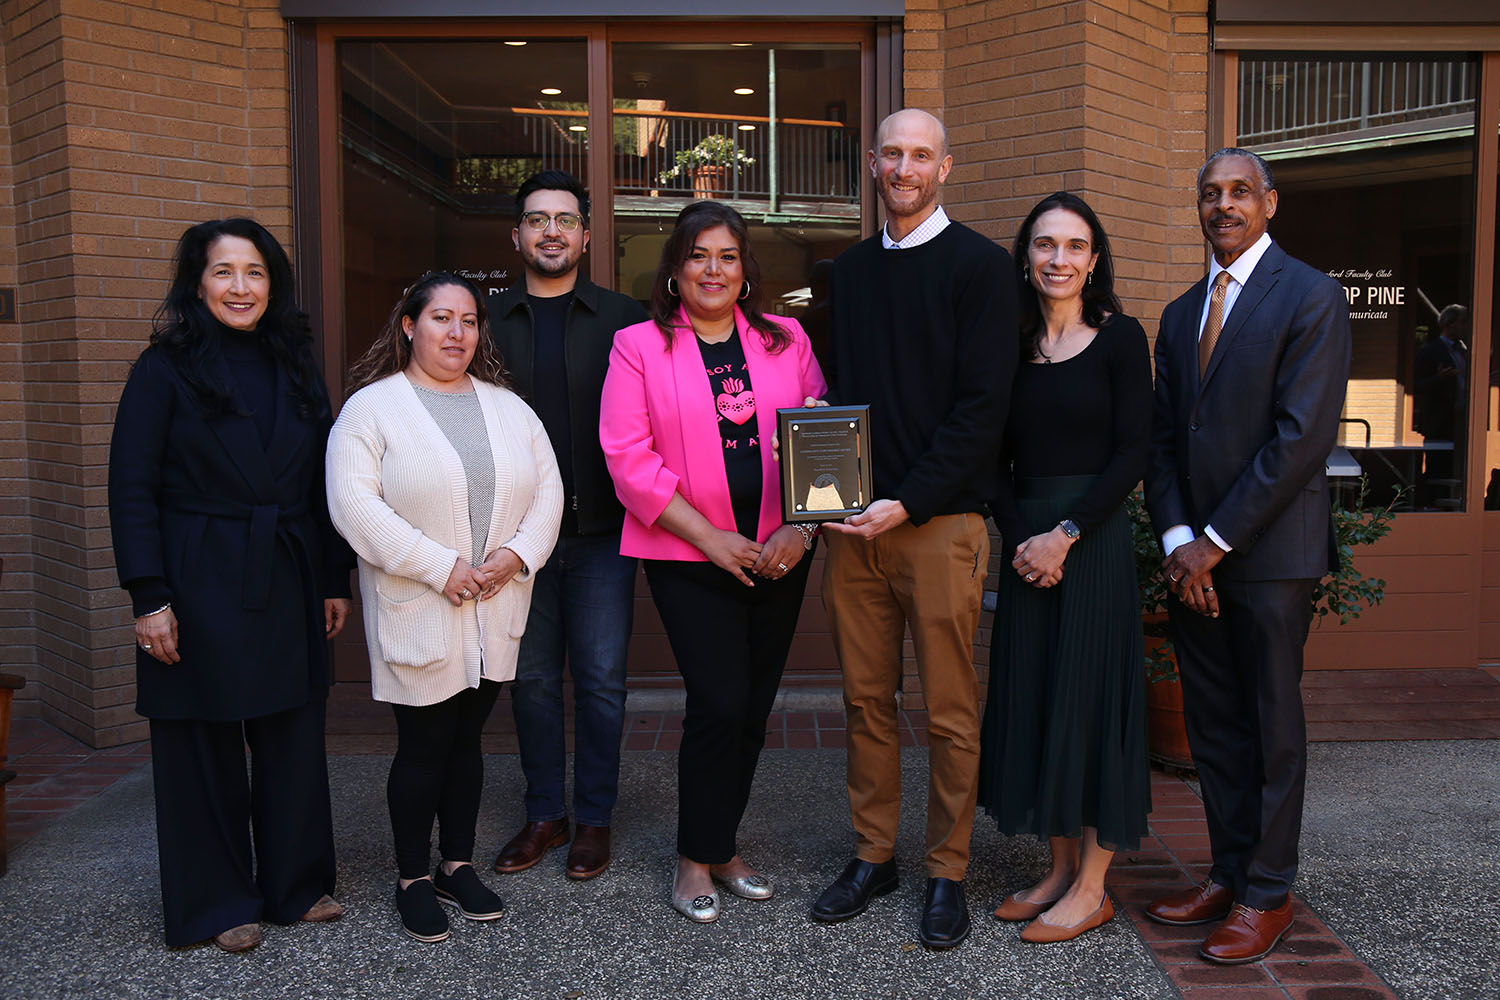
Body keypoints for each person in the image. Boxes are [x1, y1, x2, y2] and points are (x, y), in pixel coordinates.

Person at [108, 218, 353, 952]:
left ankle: (295, 884)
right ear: (197, 283)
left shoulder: (295, 365)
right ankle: (217, 902)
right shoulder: (162, 369)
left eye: (255, 273)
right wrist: (148, 595)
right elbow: (131, 487)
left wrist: (332, 576)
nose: (241, 288)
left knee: (291, 735)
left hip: (286, 567)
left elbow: (320, 481)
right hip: (197, 571)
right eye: (224, 272)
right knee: (202, 743)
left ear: (272, 285)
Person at [809, 108, 1017, 950]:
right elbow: (841, 394)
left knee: (948, 710)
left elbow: (982, 413)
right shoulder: (849, 273)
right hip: (854, 529)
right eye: (891, 153)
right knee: (865, 702)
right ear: (871, 163)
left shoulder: (981, 268)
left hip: (939, 524)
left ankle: (947, 870)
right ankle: (873, 855)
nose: (904, 167)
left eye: (920, 155)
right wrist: (826, 471)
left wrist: (911, 500)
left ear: (946, 166)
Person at [1144, 148, 1351, 964]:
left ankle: (1269, 893)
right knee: (1216, 727)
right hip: (1192, 557)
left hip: (1266, 556)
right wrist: (1176, 542)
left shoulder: (1310, 295)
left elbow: (1300, 440)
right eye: (1210, 194)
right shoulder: (1181, 310)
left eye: (1239, 192)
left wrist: (1214, 544)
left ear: (1270, 202)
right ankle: (1228, 871)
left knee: (1270, 730)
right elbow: (1163, 442)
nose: (1223, 205)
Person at [599, 200, 827, 924]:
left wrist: (802, 527)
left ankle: (724, 845)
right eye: (699, 254)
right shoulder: (638, 345)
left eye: (728, 256)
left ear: (745, 269)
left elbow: (822, 436)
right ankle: (694, 858)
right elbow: (627, 461)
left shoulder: (785, 338)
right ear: (675, 268)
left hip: (778, 553)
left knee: (754, 709)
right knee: (719, 703)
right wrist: (711, 538)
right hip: (689, 555)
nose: (713, 269)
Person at [326, 272, 562, 943]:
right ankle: (412, 878)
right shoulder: (372, 409)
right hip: (421, 606)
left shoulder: (508, 407)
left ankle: (456, 862)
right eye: (440, 319)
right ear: (409, 326)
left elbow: (548, 488)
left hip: (495, 605)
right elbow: (353, 505)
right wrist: (441, 567)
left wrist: (517, 555)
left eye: (468, 320)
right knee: (425, 745)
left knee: (468, 742)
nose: (456, 333)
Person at [978, 192, 1152, 943]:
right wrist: (1023, 540)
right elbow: (990, 456)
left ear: (1094, 259)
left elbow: (1134, 452)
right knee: (1040, 700)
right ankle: (1054, 869)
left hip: (1094, 540)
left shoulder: (1121, 339)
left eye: (1074, 246)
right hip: (1026, 550)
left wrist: (1066, 534)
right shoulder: (1006, 345)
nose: (1058, 259)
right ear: (1027, 256)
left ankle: (1092, 886)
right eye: (1045, 245)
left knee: (1093, 700)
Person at [488, 171, 648, 881]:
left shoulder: (627, 318)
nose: (550, 230)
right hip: (516, 539)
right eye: (535, 219)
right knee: (531, 683)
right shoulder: (486, 321)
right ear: (517, 236)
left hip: (603, 532)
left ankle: (593, 820)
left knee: (603, 681)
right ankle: (544, 815)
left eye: (563, 219)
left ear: (586, 234)